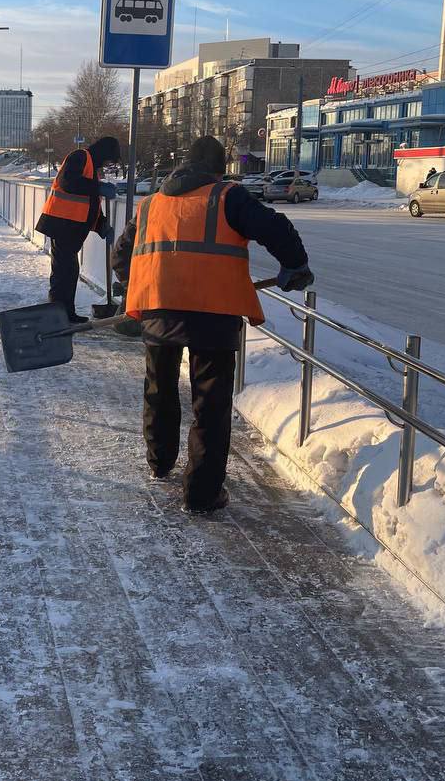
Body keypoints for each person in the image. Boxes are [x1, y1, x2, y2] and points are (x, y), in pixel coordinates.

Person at [112, 135, 314, 515]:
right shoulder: (227, 197)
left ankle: (160, 462)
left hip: (159, 309)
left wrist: (138, 284)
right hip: (213, 314)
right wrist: (295, 266)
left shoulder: (151, 204)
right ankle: (201, 495)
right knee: (210, 404)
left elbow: (121, 256)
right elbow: (275, 227)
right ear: (219, 171)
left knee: (159, 388)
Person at [35, 135, 121, 323]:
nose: (106, 165)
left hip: (70, 228)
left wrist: (101, 225)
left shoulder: (91, 168)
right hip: (62, 225)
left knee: (68, 271)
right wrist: (98, 187)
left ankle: (65, 313)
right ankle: (59, 315)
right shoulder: (79, 157)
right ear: (104, 153)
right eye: (108, 160)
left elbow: (89, 204)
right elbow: (68, 182)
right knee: (63, 272)